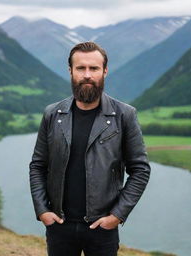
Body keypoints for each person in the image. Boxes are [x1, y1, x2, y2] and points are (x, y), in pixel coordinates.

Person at [29, 41, 151, 256]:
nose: (87, 75)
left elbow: (140, 169)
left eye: (93, 68)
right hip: (59, 225)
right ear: (70, 71)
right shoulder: (52, 114)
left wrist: (116, 216)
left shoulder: (125, 115)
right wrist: (43, 211)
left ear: (104, 71)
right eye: (80, 68)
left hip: (102, 228)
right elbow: (38, 165)